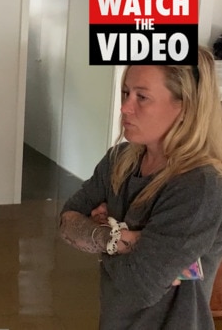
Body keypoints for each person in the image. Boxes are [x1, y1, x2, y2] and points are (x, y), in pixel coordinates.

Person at [59, 45, 222, 329]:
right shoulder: (119, 160)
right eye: (126, 93)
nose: (125, 107)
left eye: (142, 97)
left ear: (184, 106)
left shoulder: (200, 184)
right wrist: (127, 239)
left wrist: (98, 234)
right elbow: (67, 221)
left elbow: (140, 286)